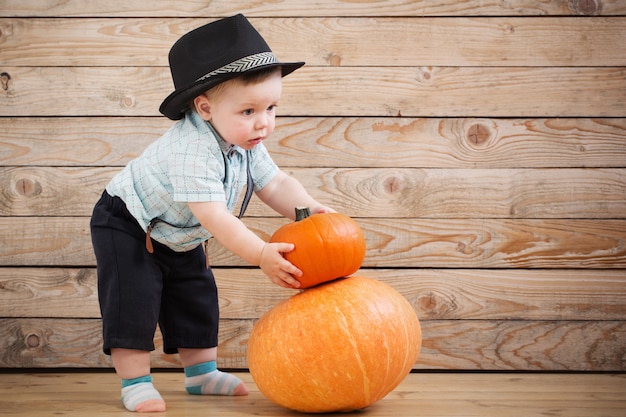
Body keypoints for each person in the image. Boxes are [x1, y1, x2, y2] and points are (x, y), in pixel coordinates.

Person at [90, 14, 333, 413]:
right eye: (249, 111)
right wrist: (259, 255)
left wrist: (308, 211)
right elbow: (215, 217)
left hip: (180, 230)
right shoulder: (191, 149)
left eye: (271, 107)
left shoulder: (248, 142)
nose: (264, 123)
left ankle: (201, 374)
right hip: (129, 223)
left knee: (196, 292)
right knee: (134, 298)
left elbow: (274, 184)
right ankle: (135, 382)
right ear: (204, 108)